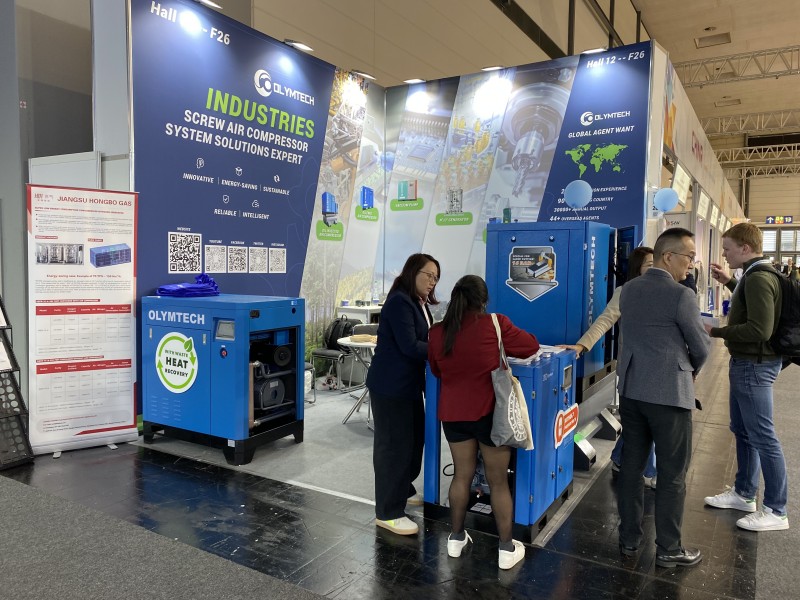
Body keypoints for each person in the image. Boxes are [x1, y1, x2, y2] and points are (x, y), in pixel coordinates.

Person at [428, 275, 539, 569]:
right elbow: (530, 346)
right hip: (491, 415)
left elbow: (437, 370)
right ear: (483, 300)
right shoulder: (495, 324)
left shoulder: (437, 332)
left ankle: (455, 539)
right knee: (498, 481)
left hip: (453, 414)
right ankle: (506, 548)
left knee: (461, 476)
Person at [616, 227, 710, 568]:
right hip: (669, 394)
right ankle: (669, 548)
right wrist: (689, 368)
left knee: (631, 468)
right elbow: (701, 346)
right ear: (668, 256)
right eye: (689, 257)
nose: (691, 264)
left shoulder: (628, 290)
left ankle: (629, 540)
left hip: (631, 391)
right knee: (672, 474)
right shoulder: (681, 295)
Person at [703, 223, 790, 531]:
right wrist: (729, 282)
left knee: (763, 436)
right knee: (743, 431)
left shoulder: (758, 278)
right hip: (748, 364)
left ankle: (776, 509)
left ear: (745, 248)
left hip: (754, 366)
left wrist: (717, 332)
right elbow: (750, 309)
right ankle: (744, 493)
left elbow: (759, 330)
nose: (724, 254)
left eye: (727, 248)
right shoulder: (752, 275)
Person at [559, 247, 658, 488]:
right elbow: (605, 320)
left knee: (644, 421)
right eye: (649, 264)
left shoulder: (666, 292)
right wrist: (582, 345)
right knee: (644, 421)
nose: (654, 268)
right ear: (637, 268)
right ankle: (650, 471)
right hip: (633, 369)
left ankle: (621, 459)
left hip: (658, 370)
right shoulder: (625, 292)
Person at [367, 253, 440, 535]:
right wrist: (445, 351)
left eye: (436, 278)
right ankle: (388, 512)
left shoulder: (418, 302)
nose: (432, 282)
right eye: (428, 275)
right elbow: (410, 345)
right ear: (412, 272)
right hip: (391, 386)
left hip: (409, 386)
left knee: (413, 442)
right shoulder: (399, 301)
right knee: (393, 448)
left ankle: (403, 489)